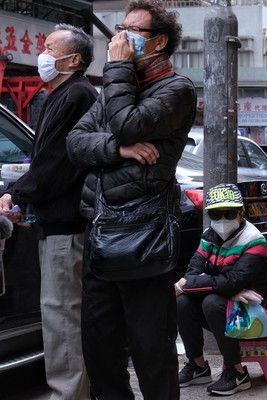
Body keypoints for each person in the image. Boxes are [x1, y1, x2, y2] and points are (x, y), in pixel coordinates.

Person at [65, 1, 197, 398]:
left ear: (159, 42)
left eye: (134, 31)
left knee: (150, 349)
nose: (121, 38)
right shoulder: (115, 90)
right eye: (121, 28)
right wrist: (119, 151)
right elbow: (75, 143)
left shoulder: (177, 90)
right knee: (100, 348)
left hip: (146, 236)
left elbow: (127, 124)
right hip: (101, 231)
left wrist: (118, 70)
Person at [0, 24, 97, 400]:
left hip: (66, 224)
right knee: (60, 314)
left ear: (72, 59)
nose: (42, 53)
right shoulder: (60, 94)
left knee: (62, 315)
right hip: (54, 220)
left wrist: (17, 195)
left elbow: (57, 164)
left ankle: (69, 394)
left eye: (49, 47)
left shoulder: (77, 95)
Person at [175, 183, 267, 396]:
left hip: (261, 313)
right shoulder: (208, 236)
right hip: (230, 307)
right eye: (215, 214)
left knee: (211, 302)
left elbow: (231, 282)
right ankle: (198, 366)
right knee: (182, 302)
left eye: (229, 212)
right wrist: (210, 285)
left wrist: (184, 285)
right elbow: (193, 271)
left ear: (241, 214)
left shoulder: (254, 241)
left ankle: (237, 372)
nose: (222, 219)